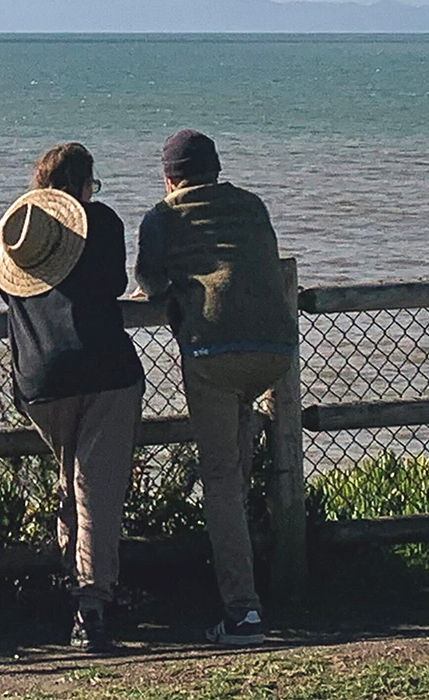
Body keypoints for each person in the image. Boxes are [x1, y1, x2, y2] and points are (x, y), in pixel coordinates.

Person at [134, 129, 296, 648]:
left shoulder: (164, 216)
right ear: (217, 169)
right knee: (239, 461)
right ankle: (266, 566)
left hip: (213, 352)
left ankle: (243, 611)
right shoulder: (252, 206)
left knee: (221, 480)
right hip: (274, 348)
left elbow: (151, 283)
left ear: (169, 178)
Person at [0, 142, 143, 653]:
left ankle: (70, 583)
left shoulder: (17, 241)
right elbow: (116, 281)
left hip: (39, 381)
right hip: (105, 369)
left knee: (71, 476)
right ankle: (92, 607)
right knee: (94, 487)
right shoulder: (102, 224)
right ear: (81, 187)